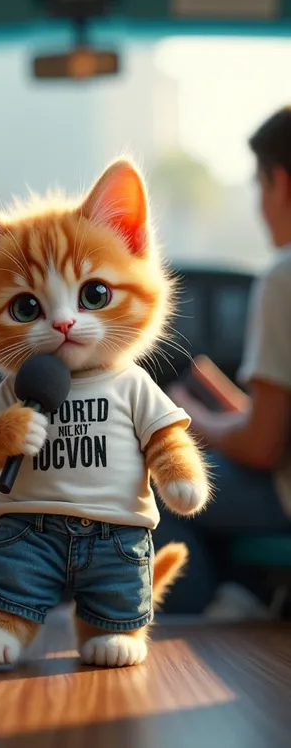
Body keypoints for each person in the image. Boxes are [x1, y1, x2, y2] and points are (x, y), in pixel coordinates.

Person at [167, 107, 291, 617]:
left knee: (153, 477)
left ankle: (190, 631)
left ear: (279, 183)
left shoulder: (283, 277)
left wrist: (192, 421)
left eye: (258, 188)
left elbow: (263, 448)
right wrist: (234, 409)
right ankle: (246, 592)